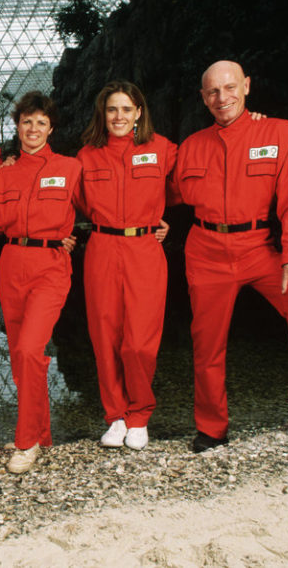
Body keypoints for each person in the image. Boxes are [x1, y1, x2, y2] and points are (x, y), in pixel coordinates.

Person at [174, 60, 288, 452]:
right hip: (206, 251)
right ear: (203, 99)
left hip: (261, 249)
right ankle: (211, 428)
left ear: (247, 86)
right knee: (207, 343)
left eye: (230, 87)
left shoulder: (278, 132)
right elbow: (160, 195)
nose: (223, 98)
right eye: (213, 92)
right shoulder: (189, 147)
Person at [76, 81, 175, 451]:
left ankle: (140, 415)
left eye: (125, 109)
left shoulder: (162, 148)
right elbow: (67, 199)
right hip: (102, 247)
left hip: (144, 249)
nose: (118, 116)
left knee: (140, 342)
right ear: (103, 115)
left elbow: (190, 183)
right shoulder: (87, 156)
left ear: (138, 113)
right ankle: (116, 416)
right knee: (105, 337)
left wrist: (162, 220)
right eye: (111, 109)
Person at [0, 92, 82, 473]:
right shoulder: (2, 173)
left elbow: (103, 206)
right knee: (19, 357)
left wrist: (155, 222)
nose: (33, 129)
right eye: (26, 122)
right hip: (11, 263)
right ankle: (42, 433)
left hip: (50, 264)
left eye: (40, 123)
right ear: (17, 126)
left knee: (30, 349)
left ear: (51, 128)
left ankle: (26, 442)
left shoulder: (71, 168)